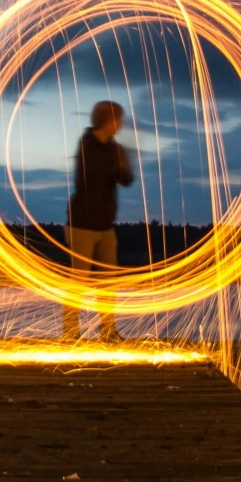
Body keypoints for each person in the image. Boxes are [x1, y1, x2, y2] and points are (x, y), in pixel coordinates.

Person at [62, 99, 135, 341]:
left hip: (106, 226)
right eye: (119, 120)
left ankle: (108, 331)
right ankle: (71, 335)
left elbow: (126, 179)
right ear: (109, 120)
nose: (121, 125)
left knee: (108, 284)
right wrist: (117, 164)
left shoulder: (115, 149)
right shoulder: (87, 145)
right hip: (82, 225)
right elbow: (93, 172)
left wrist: (123, 166)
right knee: (79, 283)